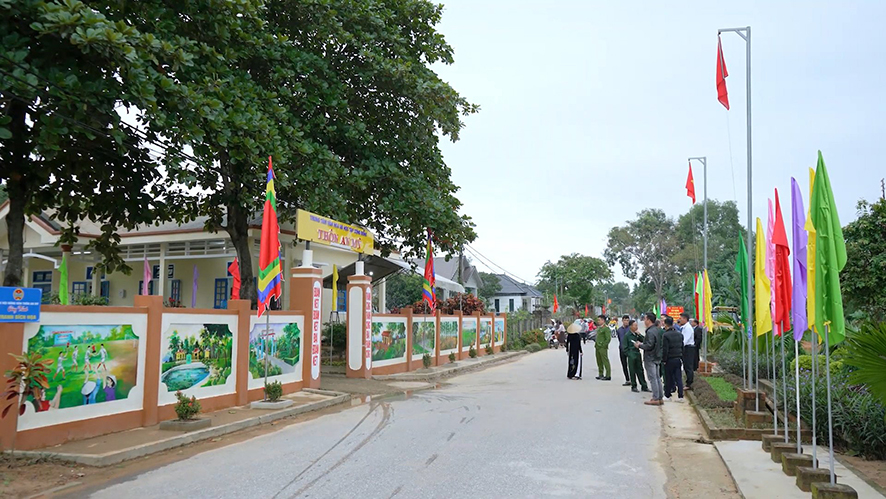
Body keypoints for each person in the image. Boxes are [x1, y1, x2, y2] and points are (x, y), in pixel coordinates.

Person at [635, 313, 664, 405]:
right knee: (657, 377)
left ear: (648, 320)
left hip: (650, 357)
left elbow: (649, 345)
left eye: (645, 319)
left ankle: (655, 398)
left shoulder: (650, 331)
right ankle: (659, 397)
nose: (644, 321)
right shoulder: (657, 330)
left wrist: (639, 345)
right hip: (657, 356)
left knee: (653, 378)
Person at [661, 316, 684, 402]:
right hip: (678, 358)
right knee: (678, 378)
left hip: (669, 359)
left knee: (668, 378)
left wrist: (664, 360)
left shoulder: (665, 335)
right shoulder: (679, 334)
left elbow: (665, 349)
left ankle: (667, 395)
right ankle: (680, 396)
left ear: (666, 324)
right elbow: (682, 347)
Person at [622, 320, 648, 393]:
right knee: (632, 370)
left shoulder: (636, 334)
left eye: (636, 325)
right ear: (630, 326)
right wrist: (629, 354)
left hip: (637, 354)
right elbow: (624, 347)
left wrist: (639, 334)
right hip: (631, 355)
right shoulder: (627, 335)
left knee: (640, 370)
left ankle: (644, 385)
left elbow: (644, 340)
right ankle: (634, 386)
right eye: (635, 325)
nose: (636, 327)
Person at [678, 313, 695, 390]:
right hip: (686, 348)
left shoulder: (688, 328)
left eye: (681, 318)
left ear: (685, 319)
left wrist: (679, 347)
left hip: (688, 348)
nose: (680, 320)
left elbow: (685, 340)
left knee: (688, 366)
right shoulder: (684, 327)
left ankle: (689, 384)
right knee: (686, 365)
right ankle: (688, 382)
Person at [593, 315, 612, 380]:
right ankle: (600, 374)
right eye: (598, 320)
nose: (598, 321)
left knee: (605, 361)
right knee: (599, 361)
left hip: (602, 347)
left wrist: (603, 345)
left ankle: (608, 375)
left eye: (599, 320)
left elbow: (608, 339)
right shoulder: (599, 328)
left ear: (603, 320)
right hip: (597, 346)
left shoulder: (606, 328)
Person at [615, 315, 632, 386]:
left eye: (627, 320)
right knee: (624, 364)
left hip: (630, 349)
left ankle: (632, 379)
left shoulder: (631, 329)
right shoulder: (619, 330)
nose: (626, 322)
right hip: (622, 349)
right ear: (622, 321)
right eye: (625, 320)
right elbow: (620, 339)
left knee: (631, 365)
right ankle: (627, 379)